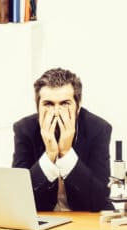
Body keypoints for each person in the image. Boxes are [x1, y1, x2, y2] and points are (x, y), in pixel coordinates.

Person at [12, 68, 114, 211]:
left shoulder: (98, 129)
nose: (56, 112)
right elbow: (18, 198)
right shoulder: (24, 129)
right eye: (48, 104)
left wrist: (66, 153)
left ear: (78, 107)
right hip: (42, 220)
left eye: (65, 103)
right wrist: (49, 156)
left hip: (84, 219)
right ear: (38, 107)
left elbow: (99, 200)